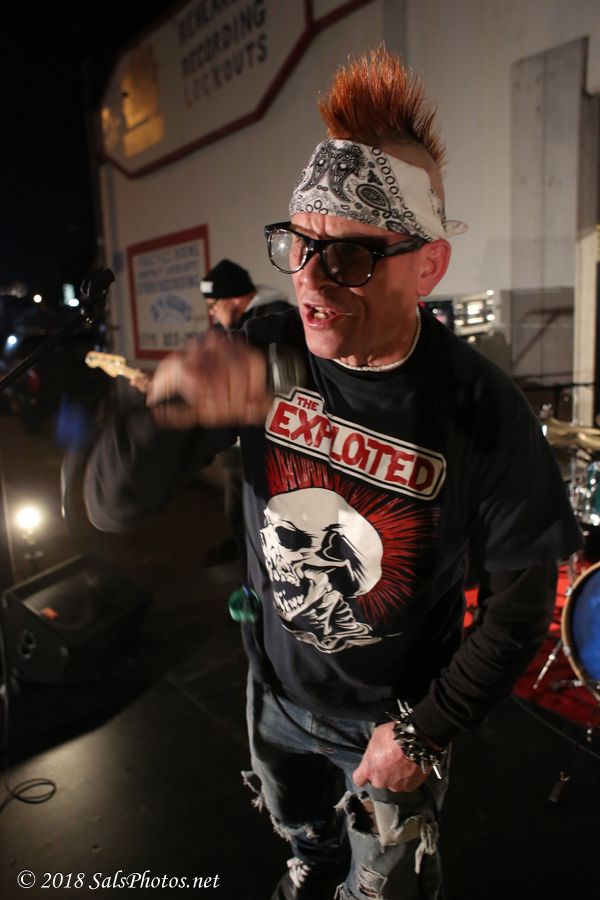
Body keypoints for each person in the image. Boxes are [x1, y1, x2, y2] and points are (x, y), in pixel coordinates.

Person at [84, 48, 581, 900]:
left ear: (427, 267)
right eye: (300, 244)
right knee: (304, 846)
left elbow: (521, 607)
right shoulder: (268, 348)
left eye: (349, 257)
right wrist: (167, 410)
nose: (311, 281)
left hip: (391, 722)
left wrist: (423, 733)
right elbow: (111, 507)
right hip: (272, 695)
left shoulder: (479, 408)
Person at [201, 258, 291, 565]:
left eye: (214, 304)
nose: (211, 312)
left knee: (272, 521)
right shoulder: (226, 326)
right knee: (238, 512)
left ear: (237, 298)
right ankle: (246, 568)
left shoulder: (276, 320)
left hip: (271, 446)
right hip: (238, 443)